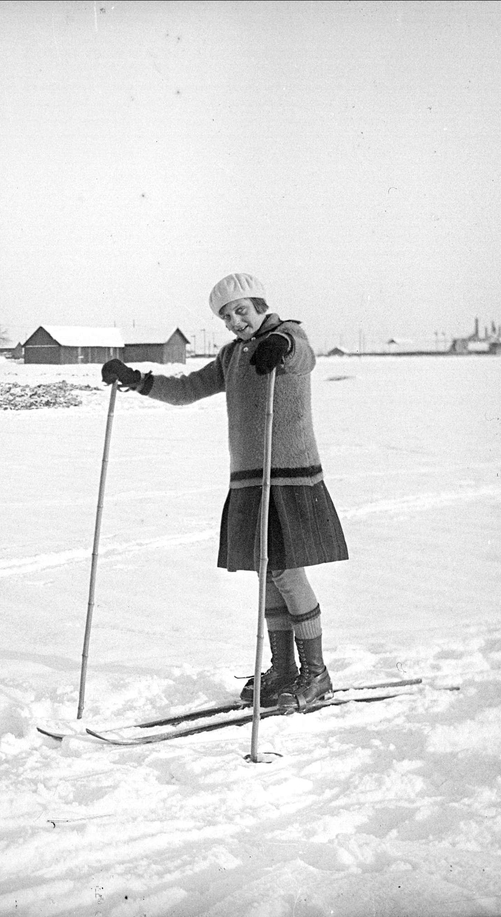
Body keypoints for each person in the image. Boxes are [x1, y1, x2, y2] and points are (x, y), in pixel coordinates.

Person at [100, 273, 348, 710]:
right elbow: (187, 389)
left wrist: (281, 348)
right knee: (268, 572)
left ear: (259, 305)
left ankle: (316, 672)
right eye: (226, 316)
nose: (235, 321)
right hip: (250, 479)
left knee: (288, 573)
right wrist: (137, 379)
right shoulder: (231, 356)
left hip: (289, 476)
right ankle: (285, 670)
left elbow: (302, 357)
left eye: (241, 311)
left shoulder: (288, 335)